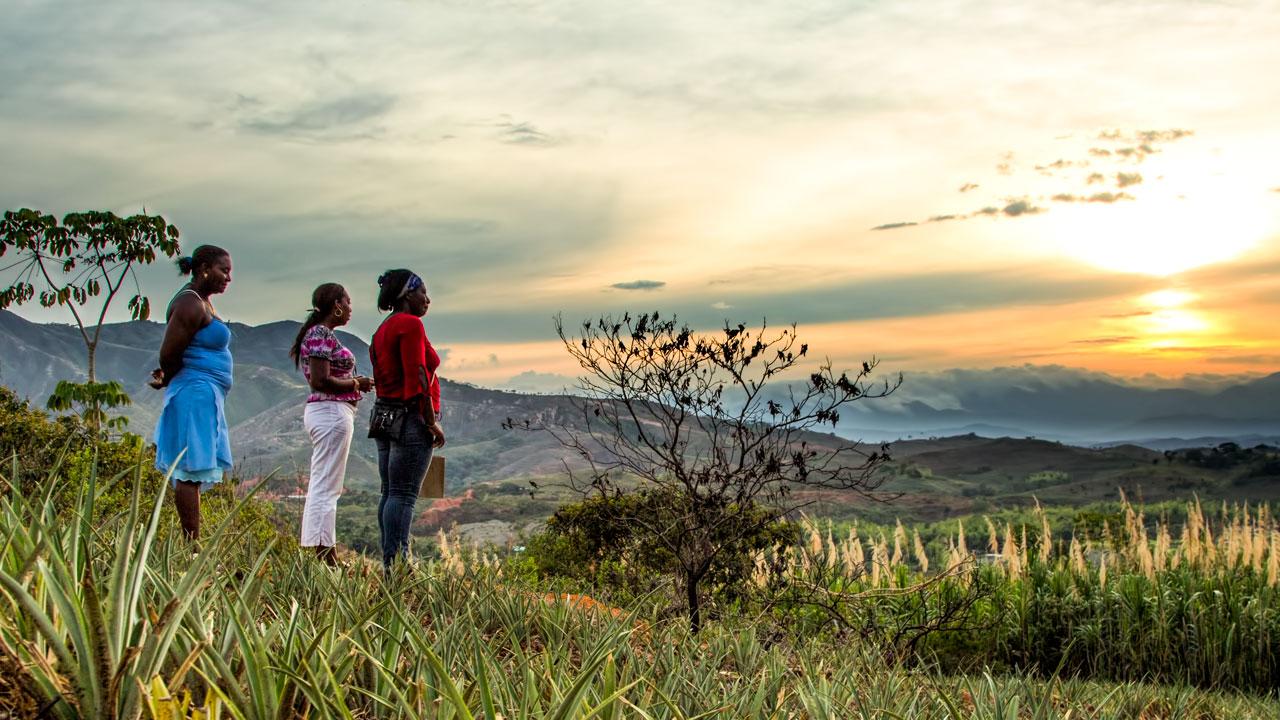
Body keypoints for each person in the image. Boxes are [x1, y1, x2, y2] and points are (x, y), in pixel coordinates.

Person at [150, 245, 234, 541]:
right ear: (204, 269)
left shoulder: (203, 303)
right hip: (193, 392)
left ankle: (193, 539)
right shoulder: (190, 304)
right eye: (224, 270)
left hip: (204, 393)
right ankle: (192, 544)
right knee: (189, 469)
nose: (228, 277)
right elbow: (169, 353)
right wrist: (167, 377)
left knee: (194, 468)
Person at [289, 283, 374, 566]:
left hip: (330, 412)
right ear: (336, 304)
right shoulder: (321, 334)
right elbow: (320, 380)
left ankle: (320, 550)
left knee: (324, 484)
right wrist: (356, 383)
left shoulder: (318, 333)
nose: (350, 308)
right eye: (348, 302)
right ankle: (325, 556)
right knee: (327, 486)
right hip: (331, 412)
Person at [369, 269, 445, 571]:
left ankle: (391, 562)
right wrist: (430, 421)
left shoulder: (382, 329)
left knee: (390, 492)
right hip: (410, 418)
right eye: (422, 292)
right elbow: (417, 376)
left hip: (384, 415)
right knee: (404, 495)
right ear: (406, 294)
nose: (427, 299)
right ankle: (398, 566)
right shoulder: (410, 325)